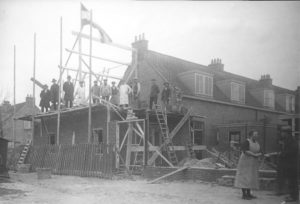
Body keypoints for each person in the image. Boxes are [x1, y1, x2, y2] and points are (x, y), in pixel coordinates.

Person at [234, 130, 262, 200]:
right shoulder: (246, 142)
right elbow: (245, 151)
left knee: (251, 177)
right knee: (244, 177)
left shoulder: (256, 142)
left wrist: (259, 154)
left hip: (253, 162)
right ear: (251, 135)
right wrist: (255, 155)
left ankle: (249, 193)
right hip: (245, 162)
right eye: (255, 134)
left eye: (257, 134)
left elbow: (259, 150)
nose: (256, 136)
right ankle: (244, 194)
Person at [277, 126, 299, 202]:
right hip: (289, 164)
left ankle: (293, 197)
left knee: (292, 181)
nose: (281, 134)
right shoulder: (287, 140)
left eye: (283, 132)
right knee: (290, 181)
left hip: (292, 165)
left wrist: (282, 154)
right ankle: (292, 195)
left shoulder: (292, 141)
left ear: (287, 133)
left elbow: (291, 151)